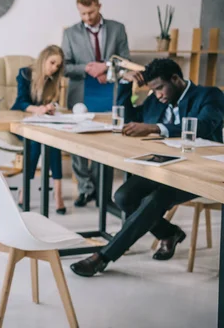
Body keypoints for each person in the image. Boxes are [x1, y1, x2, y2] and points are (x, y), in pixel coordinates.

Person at [70, 58, 224, 277]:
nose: (158, 94)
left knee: (154, 200)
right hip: (165, 167)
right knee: (124, 196)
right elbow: (129, 118)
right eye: (154, 90)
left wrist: (155, 127)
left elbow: (205, 125)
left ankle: (102, 257)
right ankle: (169, 233)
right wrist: (125, 85)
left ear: (176, 79)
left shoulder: (209, 95)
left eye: (160, 87)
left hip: (199, 171)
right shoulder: (156, 100)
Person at [62, 0, 131, 207]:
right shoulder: (70, 33)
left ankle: (101, 192)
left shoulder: (117, 28)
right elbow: (65, 66)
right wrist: (88, 68)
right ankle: (85, 188)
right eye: (83, 14)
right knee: (77, 144)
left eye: (90, 13)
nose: (87, 18)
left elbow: (125, 61)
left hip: (109, 93)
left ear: (99, 6)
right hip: (80, 93)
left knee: (104, 142)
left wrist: (107, 67)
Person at [10, 45, 66, 214]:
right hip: (21, 124)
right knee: (35, 141)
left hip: (40, 124)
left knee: (51, 140)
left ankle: (57, 193)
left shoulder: (52, 79)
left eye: (58, 66)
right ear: (44, 58)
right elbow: (21, 102)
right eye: (52, 63)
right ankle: (24, 190)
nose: (54, 68)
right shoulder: (25, 74)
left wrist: (50, 107)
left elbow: (51, 102)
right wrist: (38, 109)